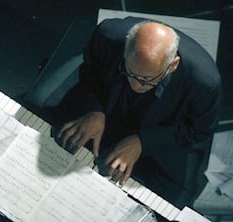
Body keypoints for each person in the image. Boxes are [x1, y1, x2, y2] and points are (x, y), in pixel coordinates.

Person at [50, 16, 222, 208]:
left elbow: (199, 131)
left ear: (173, 65)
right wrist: (94, 109)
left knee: (166, 204)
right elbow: (90, 71)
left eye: (146, 80)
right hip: (108, 107)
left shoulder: (205, 82)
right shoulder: (107, 35)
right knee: (56, 146)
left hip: (161, 133)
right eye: (130, 73)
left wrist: (143, 142)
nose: (135, 85)